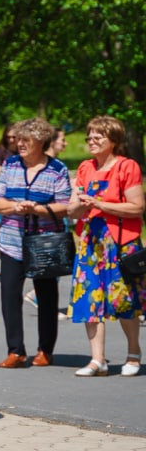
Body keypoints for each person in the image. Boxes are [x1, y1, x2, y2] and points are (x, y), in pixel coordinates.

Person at [0, 117, 72, 369]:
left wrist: (38, 209)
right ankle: (16, 351)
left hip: (44, 245)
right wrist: (16, 207)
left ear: (41, 141)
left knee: (47, 298)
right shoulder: (10, 164)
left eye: (26, 140)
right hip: (11, 242)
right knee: (9, 297)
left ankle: (45, 350)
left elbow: (65, 206)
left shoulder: (57, 169)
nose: (20, 144)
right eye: (18, 139)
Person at [66, 116, 144, 377]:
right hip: (91, 242)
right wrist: (79, 204)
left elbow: (137, 207)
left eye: (98, 137)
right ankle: (97, 359)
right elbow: (72, 210)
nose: (91, 141)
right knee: (89, 298)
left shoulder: (127, 166)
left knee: (124, 299)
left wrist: (99, 204)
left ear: (113, 140)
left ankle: (133, 353)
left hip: (120, 242)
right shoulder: (85, 167)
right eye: (89, 136)